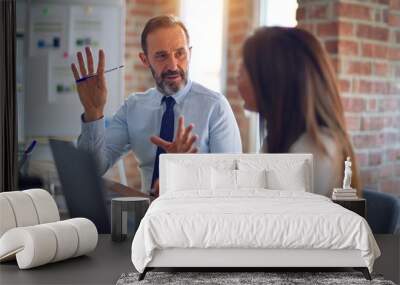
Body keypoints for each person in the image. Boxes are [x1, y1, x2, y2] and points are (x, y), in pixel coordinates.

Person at [71, 15, 242, 197]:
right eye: (161, 56)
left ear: (189, 53)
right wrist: (93, 112)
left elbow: (233, 183)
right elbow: (92, 169)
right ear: (145, 60)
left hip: (197, 218)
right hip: (149, 217)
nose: (173, 65)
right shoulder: (133, 108)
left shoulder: (215, 107)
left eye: (180, 53)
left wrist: (186, 170)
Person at [237, 26, 360, 197]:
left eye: (244, 69)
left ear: (272, 79)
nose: (237, 78)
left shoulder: (315, 153)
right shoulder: (276, 141)